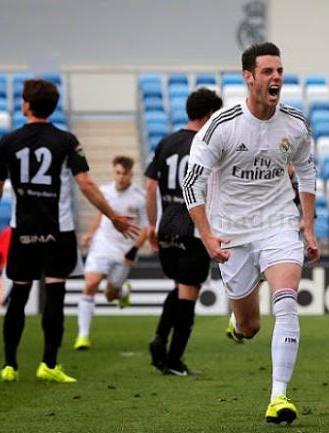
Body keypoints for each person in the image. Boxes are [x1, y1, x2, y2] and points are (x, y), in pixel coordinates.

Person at [182, 42, 319, 424]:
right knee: (250, 325)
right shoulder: (221, 126)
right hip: (232, 234)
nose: (276, 78)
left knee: (287, 301)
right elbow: (192, 182)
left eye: (279, 71)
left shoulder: (295, 123)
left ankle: (279, 396)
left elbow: (307, 171)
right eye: (267, 72)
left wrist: (308, 225)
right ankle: (239, 322)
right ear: (249, 77)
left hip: (278, 225)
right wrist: (207, 235)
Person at [0, 78, 139, 384]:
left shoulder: (8, 142)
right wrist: (113, 216)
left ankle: (10, 365)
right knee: (55, 296)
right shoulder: (66, 140)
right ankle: (49, 363)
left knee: (19, 297)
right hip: (59, 231)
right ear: (53, 107)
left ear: (26, 105)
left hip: (22, 231)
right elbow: (86, 184)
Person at [145, 88, 223, 376]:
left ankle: (159, 339)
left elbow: (150, 186)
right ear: (207, 116)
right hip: (193, 228)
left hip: (166, 227)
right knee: (188, 295)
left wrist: (153, 226)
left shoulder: (166, 142)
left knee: (180, 287)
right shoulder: (207, 145)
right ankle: (174, 360)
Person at [73, 155, 149, 350]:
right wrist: (90, 234)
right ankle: (83, 336)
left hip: (124, 250)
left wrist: (133, 250)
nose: (121, 177)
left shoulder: (140, 197)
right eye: (117, 173)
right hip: (102, 245)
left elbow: (147, 228)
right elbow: (101, 214)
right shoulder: (104, 191)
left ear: (131, 173)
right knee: (90, 284)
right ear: (113, 172)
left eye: (124, 173)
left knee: (109, 294)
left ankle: (122, 291)